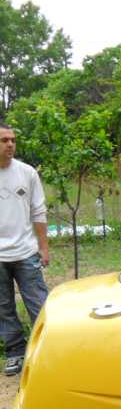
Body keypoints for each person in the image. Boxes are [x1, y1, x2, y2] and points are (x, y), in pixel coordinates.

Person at [0, 123, 49, 377]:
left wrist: (43, 246)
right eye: (4, 140)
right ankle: (15, 353)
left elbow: (38, 211)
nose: (10, 144)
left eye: (13, 140)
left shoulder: (27, 173)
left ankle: (48, 349)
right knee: (3, 307)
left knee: (39, 303)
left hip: (26, 252)